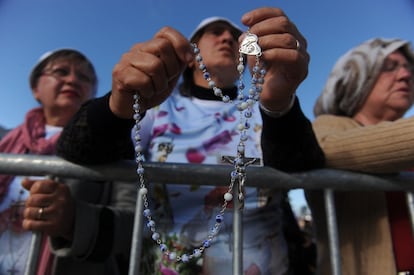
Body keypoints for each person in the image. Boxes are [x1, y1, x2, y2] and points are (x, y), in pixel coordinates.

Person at [57, 7, 324, 275]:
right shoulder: (158, 110)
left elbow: (304, 172)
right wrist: (118, 106)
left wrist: (279, 105)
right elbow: (78, 152)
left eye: (234, 35)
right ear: (191, 56)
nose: (227, 39)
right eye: (215, 33)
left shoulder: (264, 110)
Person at [0, 49, 136, 275]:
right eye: (61, 72)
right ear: (36, 88)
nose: (72, 80)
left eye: (84, 78)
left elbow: (134, 225)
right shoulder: (5, 141)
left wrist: (74, 221)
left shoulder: (114, 146)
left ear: (92, 92)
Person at [307, 38, 414, 275]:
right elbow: (327, 151)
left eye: (408, 67)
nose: (405, 74)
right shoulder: (328, 126)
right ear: (357, 77)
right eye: (389, 66)